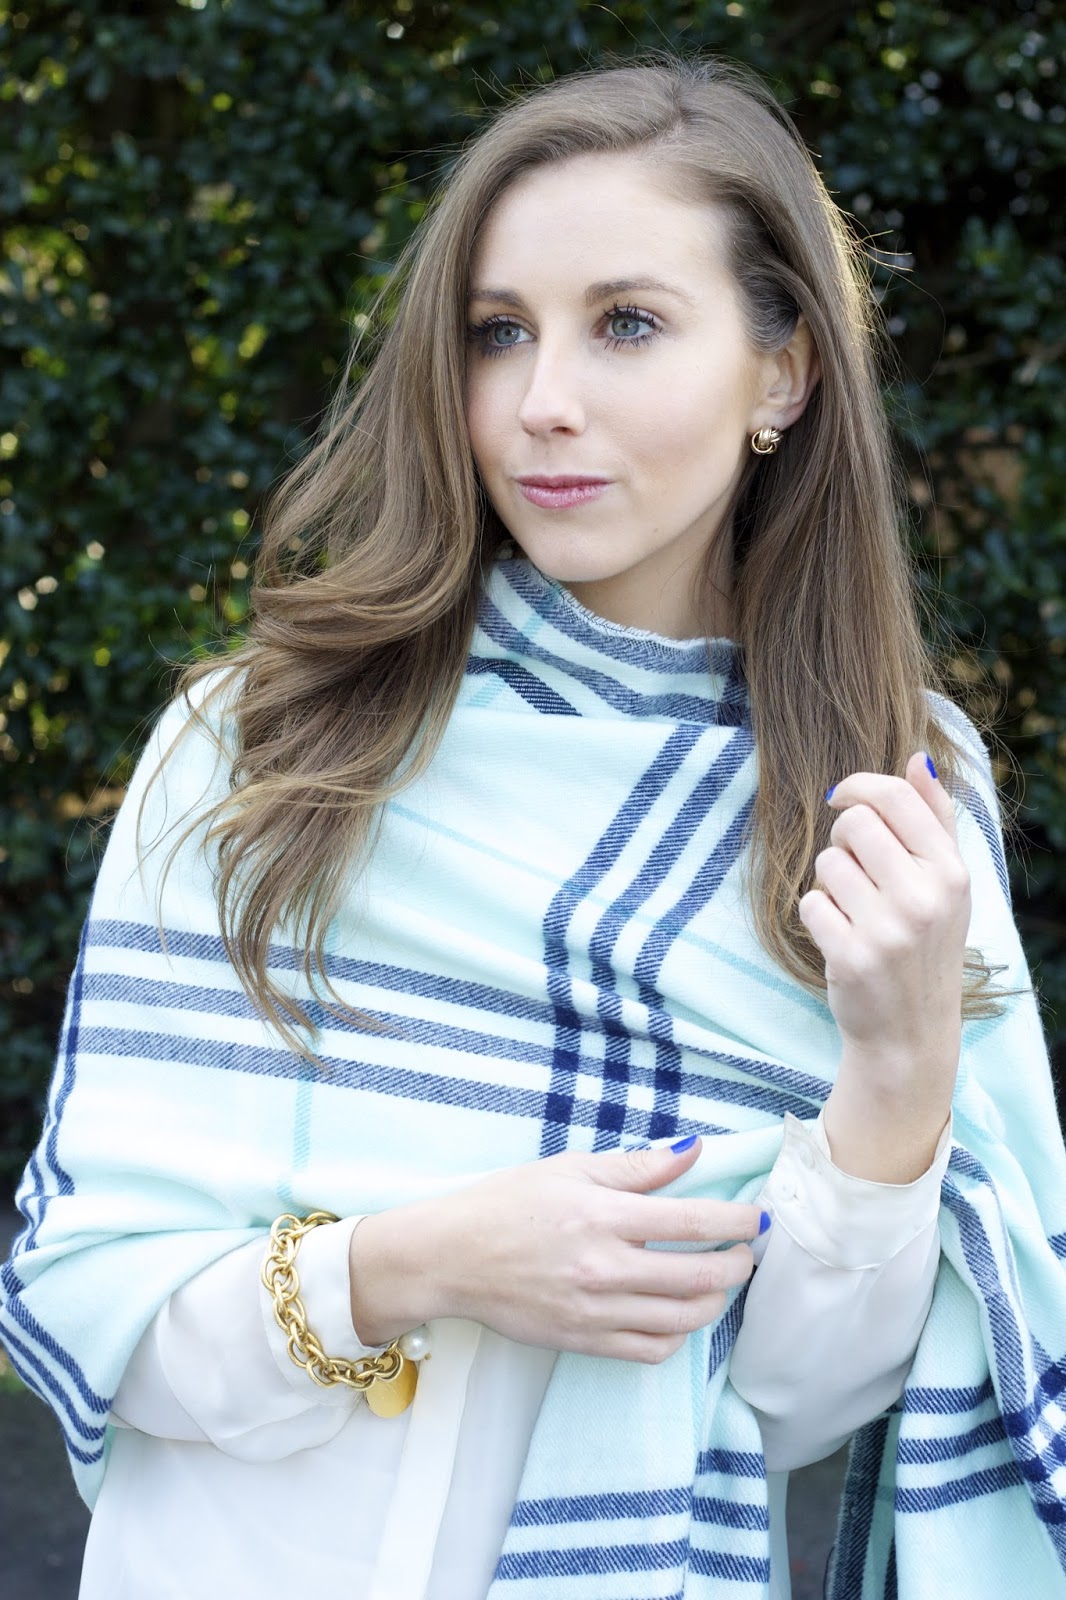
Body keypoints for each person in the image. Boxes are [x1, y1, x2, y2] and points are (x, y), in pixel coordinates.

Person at [2, 55, 1065, 1600]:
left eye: (625, 323)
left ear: (780, 376)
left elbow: (798, 1406)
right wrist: (416, 1264)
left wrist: (900, 1068)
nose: (540, 401)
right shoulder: (263, 743)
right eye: (497, 331)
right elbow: (91, 1315)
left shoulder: (889, 789)